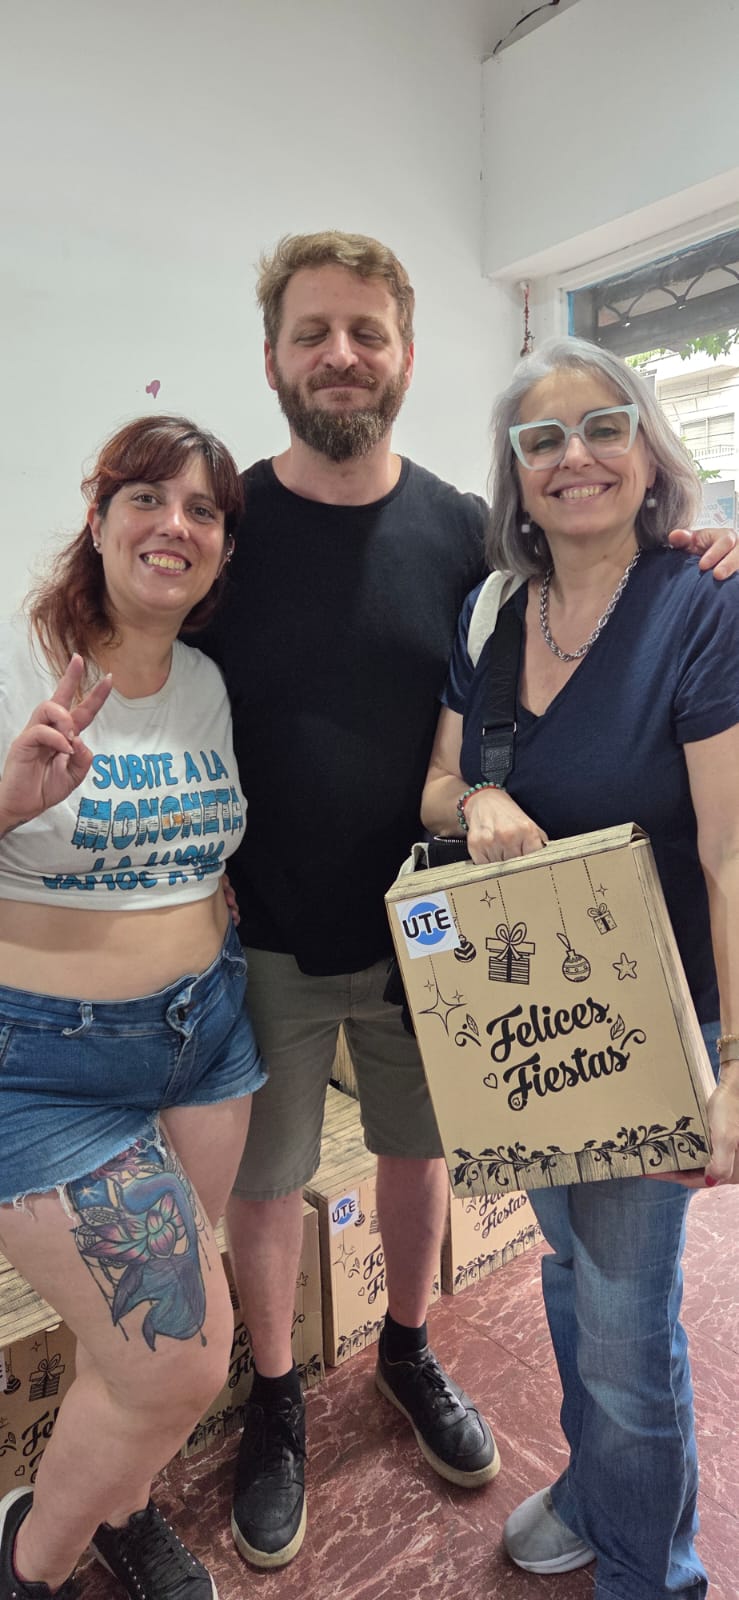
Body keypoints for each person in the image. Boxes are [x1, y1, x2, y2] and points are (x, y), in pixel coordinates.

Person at [195, 229, 739, 1574]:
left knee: (548, 1255)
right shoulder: (257, 538)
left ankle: (434, 1372)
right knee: (329, 1202)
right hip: (325, 948)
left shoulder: (521, 556)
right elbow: (156, 663)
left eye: (365, 333)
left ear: (405, 355)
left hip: (516, 976)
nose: (340, 355)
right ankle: (295, 1408)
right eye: (312, 332)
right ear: (271, 357)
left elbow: (721, 836)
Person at [421, 334, 739, 1600]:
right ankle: (601, 1491)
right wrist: (476, 801)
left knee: (622, 1323)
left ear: (647, 449)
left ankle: (650, 1572)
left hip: (654, 1030)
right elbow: (437, 782)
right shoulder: (496, 611)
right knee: (568, 1274)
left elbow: (729, 853)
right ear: (514, 473)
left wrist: (738, 1062)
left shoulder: (699, 604)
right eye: (541, 439)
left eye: (604, 426)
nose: (575, 457)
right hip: (529, 1030)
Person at [0, 416, 266, 1600]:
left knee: (141, 1337)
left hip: (204, 1035)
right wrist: (7, 803)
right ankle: (31, 1563)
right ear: (99, 517)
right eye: (148, 497)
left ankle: (123, 1506)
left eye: (203, 509)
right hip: (45, 1067)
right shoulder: (18, 655)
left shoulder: (205, 683)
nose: (175, 524)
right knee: (178, 1363)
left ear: (222, 548)